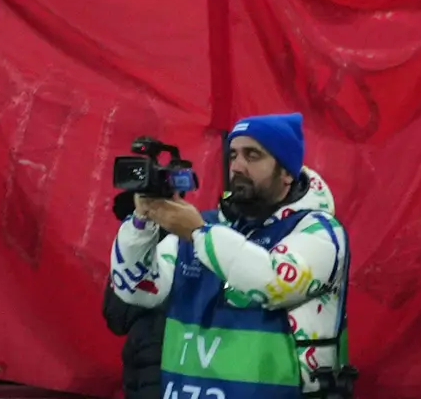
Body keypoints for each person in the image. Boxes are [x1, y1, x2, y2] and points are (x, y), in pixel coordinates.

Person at [109, 113, 350, 399]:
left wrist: (199, 233)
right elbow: (136, 290)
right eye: (233, 154)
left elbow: (274, 283)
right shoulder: (204, 227)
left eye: (253, 155)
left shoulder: (319, 231)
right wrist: (142, 221)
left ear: (287, 172)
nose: (237, 166)